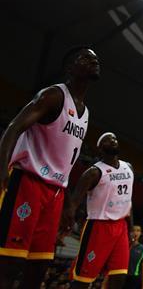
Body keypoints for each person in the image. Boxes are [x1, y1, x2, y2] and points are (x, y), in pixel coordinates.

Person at [0, 47, 98, 289]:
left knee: (38, 268)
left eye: (96, 59)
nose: (94, 61)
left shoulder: (85, 113)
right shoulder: (53, 96)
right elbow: (13, 128)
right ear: (70, 68)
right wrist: (2, 170)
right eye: (85, 58)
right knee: (10, 262)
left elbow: (66, 159)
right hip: (28, 183)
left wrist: (68, 203)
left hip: (55, 193)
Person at [66, 132, 133, 287]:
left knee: (119, 277)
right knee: (83, 278)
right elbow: (75, 201)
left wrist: (129, 227)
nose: (113, 141)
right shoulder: (93, 172)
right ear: (100, 148)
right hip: (98, 226)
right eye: (108, 141)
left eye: (115, 139)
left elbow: (129, 201)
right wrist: (68, 220)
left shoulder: (128, 167)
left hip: (121, 226)